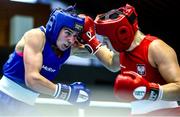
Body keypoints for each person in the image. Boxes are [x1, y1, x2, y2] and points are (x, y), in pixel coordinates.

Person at [78, 4, 180, 116]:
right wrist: (91, 41)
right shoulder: (122, 51)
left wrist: (149, 90)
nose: (105, 43)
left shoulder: (155, 48)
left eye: (107, 38)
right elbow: (112, 63)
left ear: (122, 34)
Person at [0, 6, 91, 116]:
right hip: (4, 99)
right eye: (67, 33)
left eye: (75, 36)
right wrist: (68, 93)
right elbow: (32, 79)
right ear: (56, 28)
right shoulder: (36, 36)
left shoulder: (69, 49)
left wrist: (95, 41)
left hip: (26, 106)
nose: (71, 40)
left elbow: (111, 62)